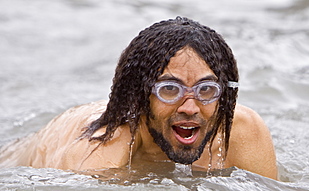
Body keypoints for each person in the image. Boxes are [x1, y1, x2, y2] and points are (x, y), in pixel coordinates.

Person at [0, 17, 277, 180]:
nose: (191, 107)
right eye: (170, 89)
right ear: (139, 96)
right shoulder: (100, 153)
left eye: (206, 90)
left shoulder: (243, 131)